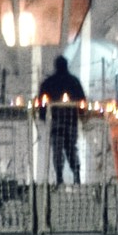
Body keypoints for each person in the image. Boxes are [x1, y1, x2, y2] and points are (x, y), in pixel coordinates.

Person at [39, 55, 85, 185]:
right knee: (71, 148)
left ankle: (60, 176)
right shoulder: (74, 81)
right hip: (71, 121)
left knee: (57, 149)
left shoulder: (48, 83)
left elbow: (42, 102)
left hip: (55, 122)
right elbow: (81, 101)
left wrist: (43, 116)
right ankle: (76, 175)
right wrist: (81, 114)